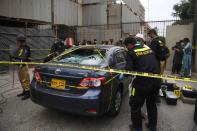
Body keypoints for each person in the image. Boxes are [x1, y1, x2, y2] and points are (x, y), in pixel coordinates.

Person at [124, 36, 161, 131]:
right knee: (152, 105)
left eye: (126, 46)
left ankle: (137, 128)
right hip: (156, 81)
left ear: (129, 45)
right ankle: (152, 127)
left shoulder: (131, 53)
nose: (126, 48)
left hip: (141, 84)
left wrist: (123, 73)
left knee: (135, 105)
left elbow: (128, 70)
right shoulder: (148, 49)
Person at [10, 34, 31, 100]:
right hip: (18, 66)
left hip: (24, 66)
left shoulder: (26, 48)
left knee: (25, 79)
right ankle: (24, 91)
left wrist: (17, 58)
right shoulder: (17, 47)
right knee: (21, 79)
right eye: (17, 41)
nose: (17, 42)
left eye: (18, 41)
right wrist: (12, 58)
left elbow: (24, 57)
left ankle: (28, 92)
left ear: (22, 41)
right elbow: (12, 55)